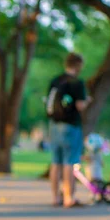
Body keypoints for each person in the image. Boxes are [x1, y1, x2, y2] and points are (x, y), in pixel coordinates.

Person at [47, 52, 90, 208]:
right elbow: (80, 106)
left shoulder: (55, 81)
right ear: (78, 65)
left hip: (53, 125)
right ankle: (68, 197)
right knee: (69, 161)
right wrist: (87, 101)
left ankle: (54, 197)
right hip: (70, 126)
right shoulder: (76, 83)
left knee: (55, 161)